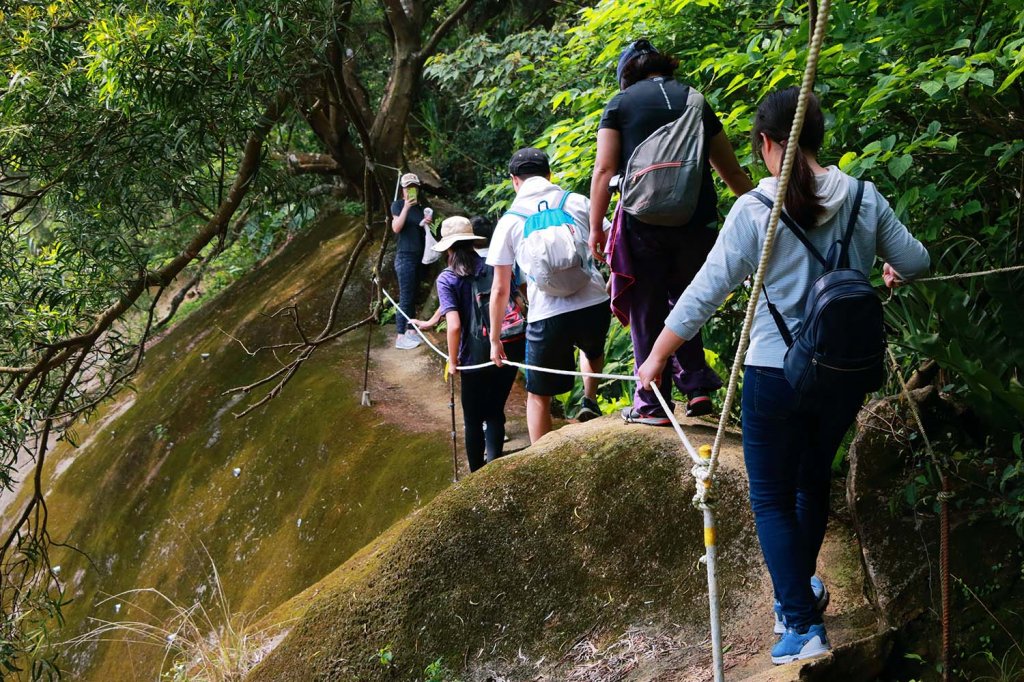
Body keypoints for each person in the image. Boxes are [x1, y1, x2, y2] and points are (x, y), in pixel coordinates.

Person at [636, 87, 930, 664]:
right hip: (845, 374)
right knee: (811, 480)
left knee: (770, 496)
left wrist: (656, 356)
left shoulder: (755, 210)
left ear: (767, 144)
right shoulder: (864, 198)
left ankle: (800, 622)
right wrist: (890, 268)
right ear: (818, 138)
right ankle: (801, 592)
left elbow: (703, 293)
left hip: (775, 374)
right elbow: (918, 261)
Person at [588, 39, 754, 426]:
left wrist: (595, 227)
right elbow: (729, 172)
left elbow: (603, 171)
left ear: (627, 75)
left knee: (646, 307)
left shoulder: (621, 104)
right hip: (694, 223)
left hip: (640, 224)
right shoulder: (696, 101)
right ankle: (696, 387)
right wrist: (767, 212)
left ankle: (652, 403)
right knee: (688, 298)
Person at [488, 148, 611, 443]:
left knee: (538, 393)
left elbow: (501, 288)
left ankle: (539, 456)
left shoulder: (510, 220)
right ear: (549, 174)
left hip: (547, 313)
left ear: (514, 181)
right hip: (593, 301)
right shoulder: (577, 201)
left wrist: (495, 339)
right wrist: (613, 282)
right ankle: (589, 400)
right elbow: (612, 244)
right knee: (591, 350)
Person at [411, 216, 524, 472]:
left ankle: (476, 475)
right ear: (471, 242)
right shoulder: (493, 267)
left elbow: (454, 325)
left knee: (473, 419)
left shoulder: (447, 278)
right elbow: (516, 302)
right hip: (508, 345)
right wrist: (430, 321)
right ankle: (494, 467)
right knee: (495, 409)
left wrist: (453, 361)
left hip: (474, 355)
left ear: (448, 248)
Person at [390, 173, 434, 350]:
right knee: (406, 296)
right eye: (408, 187)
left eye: (414, 187)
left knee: (413, 294)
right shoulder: (398, 205)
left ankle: (411, 330)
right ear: (403, 190)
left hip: (419, 257)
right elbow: (396, 227)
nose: (411, 190)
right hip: (404, 256)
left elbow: (422, 233)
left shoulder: (421, 207)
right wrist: (406, 207)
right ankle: (400, 335)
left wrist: (426, 223)